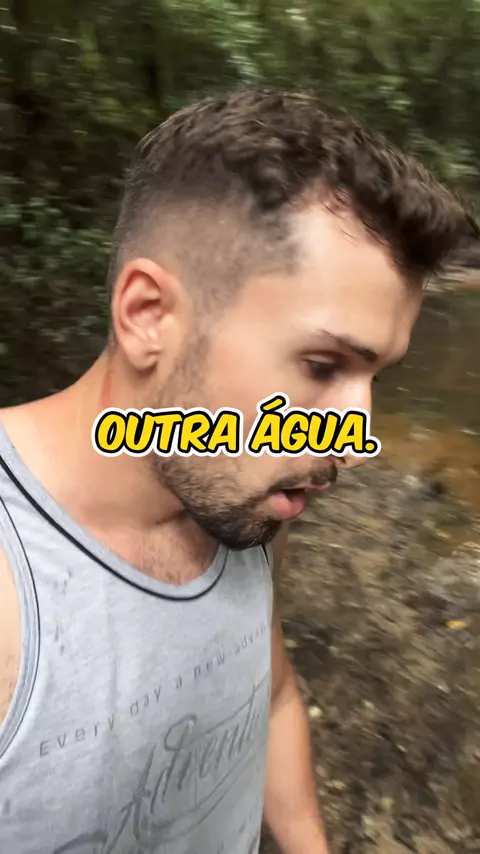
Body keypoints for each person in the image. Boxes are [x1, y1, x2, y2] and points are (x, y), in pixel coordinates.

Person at [0, 88, 475, 854]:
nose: (354, 439)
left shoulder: (248, 507)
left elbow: (271, 691)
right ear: (148, 315)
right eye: (322, 365)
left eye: (374, 377)